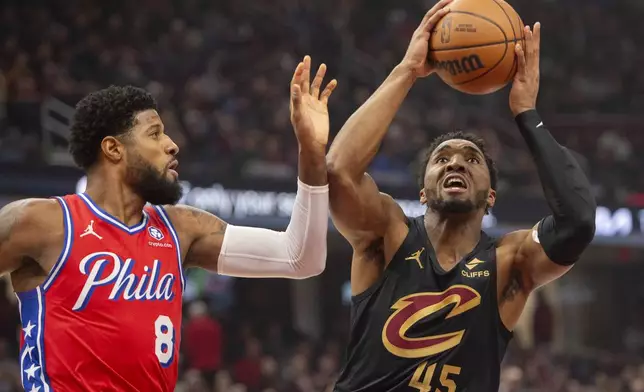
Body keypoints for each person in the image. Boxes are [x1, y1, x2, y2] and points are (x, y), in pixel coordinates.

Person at [0, 55, 336, 392]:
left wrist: (310, 151)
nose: (172, 145)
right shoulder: (43, 222)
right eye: (155, 134)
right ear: (114, 149)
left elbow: (301, 257)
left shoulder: (181, 229)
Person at [327, 1, 596, 390]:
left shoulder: (508, 263)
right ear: (422, 191)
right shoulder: (386, 235)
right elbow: (339, 172)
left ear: (491, 196)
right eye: (442, 158)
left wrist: (526, 113)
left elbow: (579, 222)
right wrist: (406, 72)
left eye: (472, 160)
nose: (456, 163)